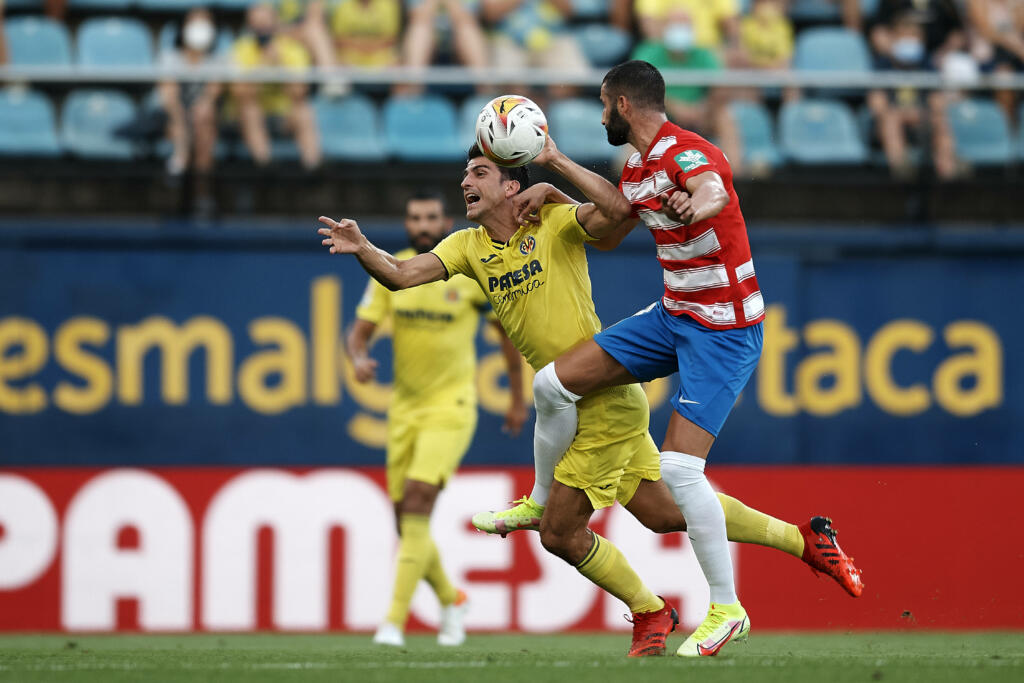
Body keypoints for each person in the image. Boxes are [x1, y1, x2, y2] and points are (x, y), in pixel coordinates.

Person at [318, 141, 863, 656]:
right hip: (573, 407)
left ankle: (649, 610)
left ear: (512, 187)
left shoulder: (552, 224)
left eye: (479, 173)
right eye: (465, 174)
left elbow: (620, 211)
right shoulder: (465, 246)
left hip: (601, 401)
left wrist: (555, 183)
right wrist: (364, 247)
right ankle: (805, 541)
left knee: (557, 531)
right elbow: (400, 274)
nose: (465, 181)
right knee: (664, 513)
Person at [476, 59, 835, 657]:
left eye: (601, 104)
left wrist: (703, 203)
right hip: (674, 315)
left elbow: (712, 184)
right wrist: (553, 174)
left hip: (723, 327)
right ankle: (537, 498)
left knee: (678, 474)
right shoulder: (637, 167)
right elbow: (613, 223)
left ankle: (726, 607)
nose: (599, 114)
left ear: (620, 105)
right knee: (551, 384)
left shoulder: (686, 152)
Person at [348, 192, 528, 647]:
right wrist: (358, 356)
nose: (423, 224)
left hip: (452, 408)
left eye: (430, 217)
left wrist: (516, 397)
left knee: (417, 501)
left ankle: (392, 622)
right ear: (407, 223)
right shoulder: (389, 271)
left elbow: (506, 337)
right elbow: (361, 332)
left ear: (445, 221)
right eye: (415, 218)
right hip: (404, 411)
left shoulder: (466, 274)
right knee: (404, 519)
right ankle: (452, 600)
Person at [867, 10, 958, 178]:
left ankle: (948, 170)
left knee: (940, 120)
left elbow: (937, 102)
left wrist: (920, 114)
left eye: (914, 36)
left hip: (921, 120)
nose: (910, 40)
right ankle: (901, 169)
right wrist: (905, 114)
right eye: (905, 35)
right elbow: (877, 106)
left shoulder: (927, 66)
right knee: (890, 119)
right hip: (889, 123)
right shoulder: (882, 65)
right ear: (894, 38)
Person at [231, 2, 321, 169]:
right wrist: (262, 67)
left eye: (265, 25)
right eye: (257, 26)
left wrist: (279, 65)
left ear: (275, 24)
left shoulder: (292, 49)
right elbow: (239, 93)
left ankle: (312, 170)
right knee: (249, 110)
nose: (262, 30)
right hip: (255, 114)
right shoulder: (241, 48)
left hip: (283, 115)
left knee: (304, 111)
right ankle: (265, 167)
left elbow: (300, 92)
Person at [157, 8, 223, 189]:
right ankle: (180, 164)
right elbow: (168, 96)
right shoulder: (170, 58)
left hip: (203, 119)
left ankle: (200, 192)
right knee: (178, 125)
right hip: (172, 117)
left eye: (205, 23)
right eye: (194, 23)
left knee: (205, 128)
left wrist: (199, 112)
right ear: (184, 27)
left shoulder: (216, 60)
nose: (199, 28)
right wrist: (182, 125)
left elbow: (212, 93)